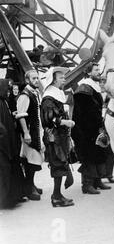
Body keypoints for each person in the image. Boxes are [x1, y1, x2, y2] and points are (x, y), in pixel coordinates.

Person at [72, 63, 111, 194]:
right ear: (88, 73)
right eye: (96, 70)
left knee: (99, 152)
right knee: (88, 154)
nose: (99, 72)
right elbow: (82, 113)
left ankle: (97, 181)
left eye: (99, 69)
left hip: (95, 126)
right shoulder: (83, 88)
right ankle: (87, 184)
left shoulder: (93, 87)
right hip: (86, 129)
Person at [41, 67, 75, 207]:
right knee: (58, 165)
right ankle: (56, 197)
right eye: (61, 77)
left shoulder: (56, 95)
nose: (64, 79)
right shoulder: (49, 98)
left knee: (60, 164)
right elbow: (48, 120)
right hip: (54, 137)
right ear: (54, 80)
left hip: (59, 136)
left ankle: (57, 195)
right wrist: (65, 122)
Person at [15, 70, 44, 201]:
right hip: (29, 133)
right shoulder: (25, 95)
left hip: (36, 131)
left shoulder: (34, 93)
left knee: (35, 159)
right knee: (31, 160)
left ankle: (31, 184)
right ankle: (28, 188)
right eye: (34, 78)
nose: (37, 80)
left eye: (37, 78)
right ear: (27, 80)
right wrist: (26, 133)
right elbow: (21, 115)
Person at [0, 79, 26, 209]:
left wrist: (11, 115)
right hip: (3, 145)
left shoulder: (3, 102)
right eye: (7, 90)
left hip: (8, 142)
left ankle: (14, 197)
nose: (9, 92)